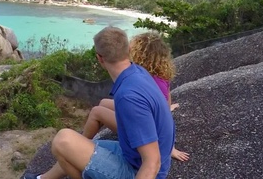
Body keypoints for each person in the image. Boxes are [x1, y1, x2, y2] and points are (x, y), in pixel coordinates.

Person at [22, 26, 175, 179]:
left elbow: (152, 162)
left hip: (137, 170)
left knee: (62, 141)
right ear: (128, 50)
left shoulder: (129, 96)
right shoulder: (138, 72)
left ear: (100, 58)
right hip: (131, 155)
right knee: (74, 147)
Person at [82, 31, 189, 162]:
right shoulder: (160, 76)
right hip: (147, 117)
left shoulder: (141, 77)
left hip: (146, 128)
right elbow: (165, 103)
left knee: (96, 112)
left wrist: (169, 148)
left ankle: (81, 145)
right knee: (104, 103)